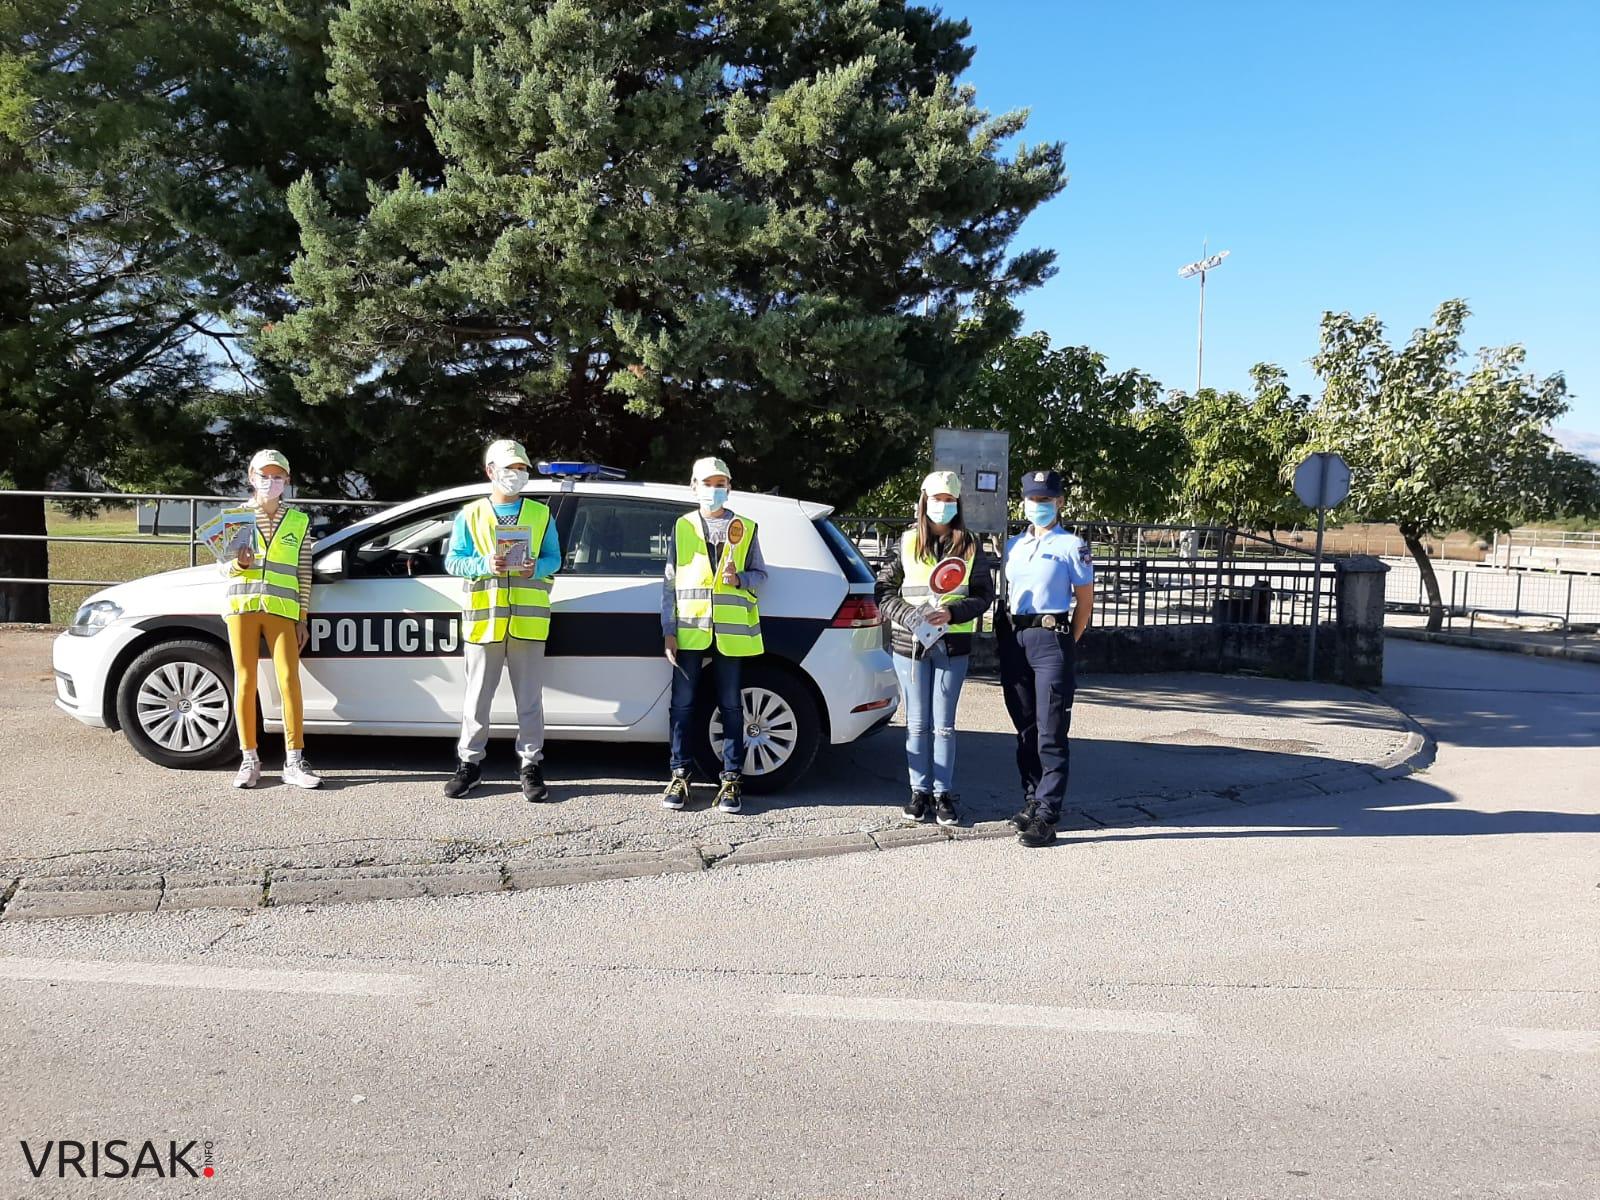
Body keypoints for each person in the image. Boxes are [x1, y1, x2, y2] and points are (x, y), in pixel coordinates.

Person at [873, 470, 995, 827]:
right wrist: (910, 617)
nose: (942, 506)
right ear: (924, 500)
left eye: (949, 500)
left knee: (944, 725)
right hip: (908, 645)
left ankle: (943, 794)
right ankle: (918, 792)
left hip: (952, 644)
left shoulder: (971, 545)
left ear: (957, 504)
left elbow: (983, 595)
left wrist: (952, 612)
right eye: (937, 499)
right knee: (916, 724)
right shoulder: (907, 541)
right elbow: (883, 591)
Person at [442, 439, 562, 802]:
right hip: (485, 620)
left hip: (527, 620)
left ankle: (530, 764)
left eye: (522, 469)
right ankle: (470, 764)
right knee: (477, 698)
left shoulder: (540, 515)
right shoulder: (471, 514)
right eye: (509, 468)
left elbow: (555, 558)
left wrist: (535, 568)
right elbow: (453, 561)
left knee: (529, 700)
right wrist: (483, 564)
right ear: (490, 471)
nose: (516, 475)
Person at [660, 456, 768, 814]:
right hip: (690, 629)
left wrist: (740, 580)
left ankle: (731, 779)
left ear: (729, 487)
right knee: (683, 705)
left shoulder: (746, 527)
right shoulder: (682, 526)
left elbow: (761, 576)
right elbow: (670, 583)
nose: (713, 489)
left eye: (720, 483)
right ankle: (679, 774)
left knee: (732, 707)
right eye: (707, 483)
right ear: (693, 486)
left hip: (731, 634)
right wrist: (668, 630)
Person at [996, 469, 1095, 848]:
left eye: (1046, 499)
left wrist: (1069, 640)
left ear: (1060, 502)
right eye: (1033, 499)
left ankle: (1048, 814)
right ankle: (1032, 799)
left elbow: (1084, 602)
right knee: (1025, 727)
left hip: (1051, 638)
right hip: (1015, 635)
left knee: (1051, 730)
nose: (1039, 506)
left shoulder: (1073, 545)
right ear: (1023, 502)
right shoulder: (1013, 546)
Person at [222, 449, 320, 790]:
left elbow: (303, 571)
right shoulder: (234, 517)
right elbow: (225, 566)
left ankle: (294, 761)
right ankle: (250, 759)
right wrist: (240, 565)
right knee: (245, 681)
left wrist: (302, 616)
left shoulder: (299, 521)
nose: (270, 482)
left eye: (277, 476)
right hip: (243, 607)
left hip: (283, 608)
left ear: (287, 481)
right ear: (251, 477)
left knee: (289, 681)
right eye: (264, 475)